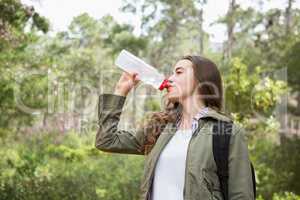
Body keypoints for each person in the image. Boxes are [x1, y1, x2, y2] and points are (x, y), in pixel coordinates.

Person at [95, 55, 255, 200]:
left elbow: (241, 196)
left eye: (179, 72)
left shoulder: (227, 132)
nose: (170, 78)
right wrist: (120, 91)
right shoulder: (160, 128)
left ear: (201, 79)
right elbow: (106, 140)